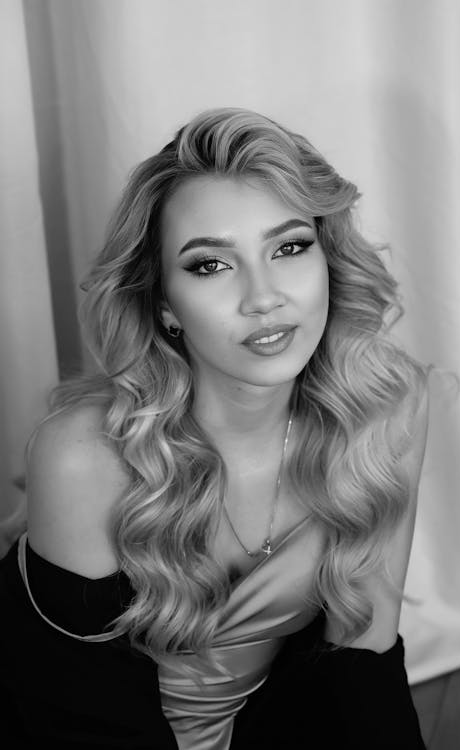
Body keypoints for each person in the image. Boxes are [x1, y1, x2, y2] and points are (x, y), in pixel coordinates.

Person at [0, 107, 431, 749]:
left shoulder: (385, 403)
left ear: (328, 259)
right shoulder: (84, 456)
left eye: (289, 247)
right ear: (165, 305)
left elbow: (361, 661)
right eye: (210, 264)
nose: (263, 296)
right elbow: (76, 719)